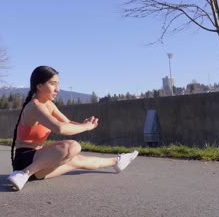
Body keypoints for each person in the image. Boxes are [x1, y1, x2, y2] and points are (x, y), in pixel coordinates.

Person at [7, 66, 138, 191]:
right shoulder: (34, 107)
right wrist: (85, 127)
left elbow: (67, 122)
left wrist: (85, 124)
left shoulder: (49, 104)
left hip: (39, 162)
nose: (57, 89)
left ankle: (117, 161)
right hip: (26, 161)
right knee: (72, 147)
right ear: (39, 86)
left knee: (78, 160)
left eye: (58, 84)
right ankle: (23, 174)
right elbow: (60, 128)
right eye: (53, 84)